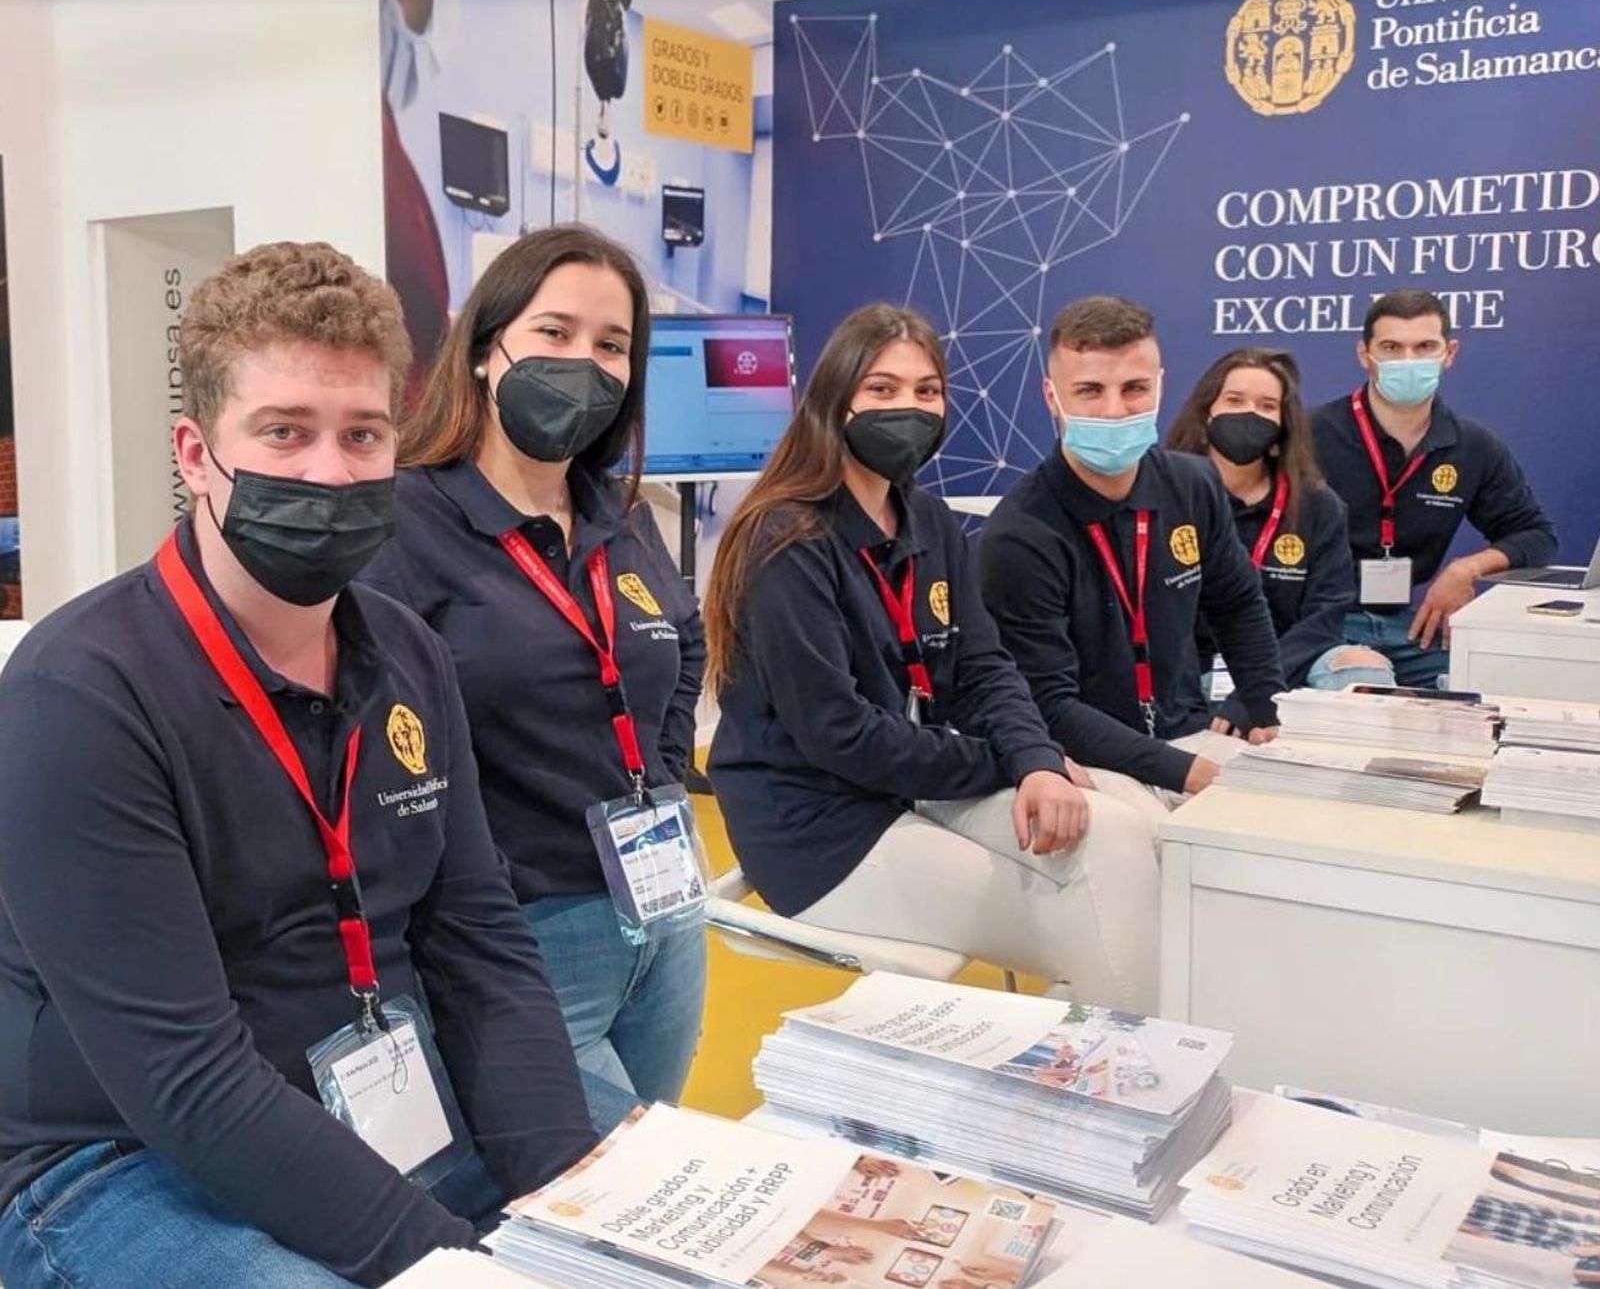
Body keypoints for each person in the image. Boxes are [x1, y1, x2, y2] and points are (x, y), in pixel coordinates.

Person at [0, 242, 596, 1288]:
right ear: (194, 454)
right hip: (108, 1163)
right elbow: (183, 1076)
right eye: (283, 431)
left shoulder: (408, 651)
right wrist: (454, 1265)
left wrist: (572, 1206)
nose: (329, 468)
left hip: (358, 1113)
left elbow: (480, 944)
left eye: (362, 434)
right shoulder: (79, 695)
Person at [705, 303, 1162, 1013]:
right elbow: (839, 734)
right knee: (1098, 919)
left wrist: (1036, 758)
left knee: (1126, 834)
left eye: (926, 391)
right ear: (835, 400)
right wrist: (1007, 764)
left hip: (911, 783)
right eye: (882, 390)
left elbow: (984, 668)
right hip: (818, 827)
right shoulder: (786, 540)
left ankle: (1107, 1070)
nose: (908, 408)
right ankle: (1126, 1091)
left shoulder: (927, 520)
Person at [361, 225, 706, 1112]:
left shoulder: (617, 512)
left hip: (663, 909)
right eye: (555, 333)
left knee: (653, 1158)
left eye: (612, 344)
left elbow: (685, 635)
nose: (583, 362)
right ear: (486, 349)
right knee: (608, 1187)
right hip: (528, 931)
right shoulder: (405, 521)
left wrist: (660, 778)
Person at [980, 297, 1285, 809]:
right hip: (1088, 758)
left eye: (1135, 388)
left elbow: (1238, 605)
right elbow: (1048, 705)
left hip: (1187, 734)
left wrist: (1268, 712)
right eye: (1090, 391)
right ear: (1052, 397)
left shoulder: (1194, 484)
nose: (1115, 410)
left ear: (1161, 384)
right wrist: (1189, 774)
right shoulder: (1018, 535)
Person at [1311, 288, 1557, 688]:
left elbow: (1535, 535)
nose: (1408, 361)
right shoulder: (1311, 434)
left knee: (1500, 685)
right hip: (1321, 626)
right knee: (1365, 685)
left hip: (1410, 630)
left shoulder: (1472, 446)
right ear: (1364, 354)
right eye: (1391, 347)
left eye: (1425, 346)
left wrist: (1467, 569)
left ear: (1449, 353)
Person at [1166, 346, 1395, 721]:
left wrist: (1258, 689)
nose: (1249, 414)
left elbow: (1324, 618)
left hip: (1289, 667)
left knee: (1362, 665)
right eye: (1235, 400)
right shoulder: (1168, 494)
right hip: (1188, 669)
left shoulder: (1319, 507)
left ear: (1283, 425)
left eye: (1266, 405)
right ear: (1207, 412)